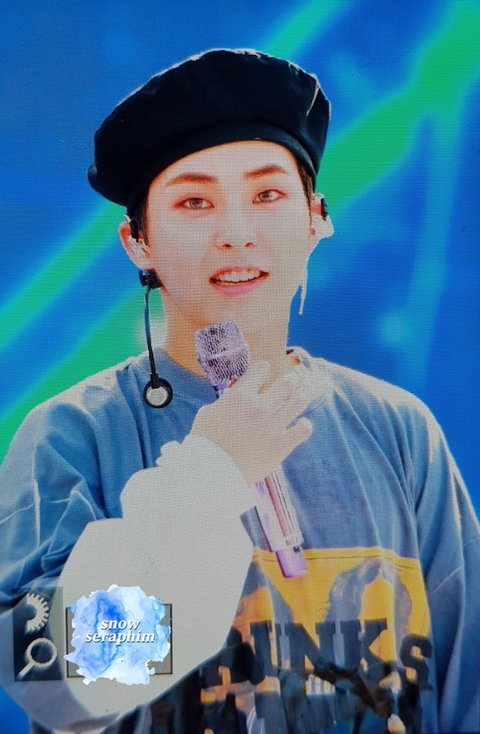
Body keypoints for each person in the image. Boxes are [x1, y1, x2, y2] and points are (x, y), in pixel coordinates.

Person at [0, 48, 479, 734]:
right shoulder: (72, 435)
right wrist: (209, 477)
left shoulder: (398, 430)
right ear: (138, 242)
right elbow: (66, 686)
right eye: (195, 202)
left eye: (267, 196)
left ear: (316, 219)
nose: (236, 234)